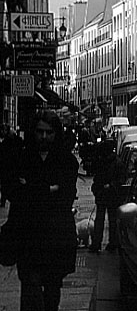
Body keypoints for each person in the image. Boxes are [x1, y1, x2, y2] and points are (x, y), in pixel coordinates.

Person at [4, 110, 79, 311]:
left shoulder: (66, 161)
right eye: (39, 132)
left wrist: (30, 188)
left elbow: (65, 197)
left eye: (49, 132)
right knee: (31, 289)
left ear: (56, 133)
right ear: (33, 132)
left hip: (56, 239)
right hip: (26, 237)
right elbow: (12, 192)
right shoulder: (21, 158)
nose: (44, 137)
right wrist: (48, 189)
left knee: (52, 292)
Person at [89, 143, 125, 253]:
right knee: (110, 220)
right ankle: (111, 242)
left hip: (107, 195)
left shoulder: (104, 162)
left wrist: (106, 187)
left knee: (102, 220)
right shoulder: (114, 162)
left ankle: (99, 243)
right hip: (109, 195)